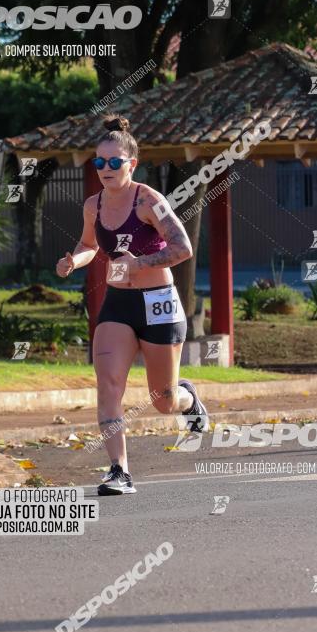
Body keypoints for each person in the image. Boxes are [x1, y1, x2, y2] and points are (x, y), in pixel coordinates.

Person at [56, 114, 207, 496]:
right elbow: (90, 245)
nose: (105, 169)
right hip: (118, 303)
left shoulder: (149, 201)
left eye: (114, 162)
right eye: (99, 162)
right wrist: (74, 260)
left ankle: (188, 399)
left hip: (158, 302)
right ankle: (118, 470)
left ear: (131, 164)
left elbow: (182, 248)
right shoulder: (93, 205)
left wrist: (140, 263)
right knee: (107, 385)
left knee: (163, 400)